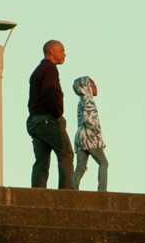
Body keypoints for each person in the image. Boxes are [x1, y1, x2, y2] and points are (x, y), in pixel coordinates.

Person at [25, 38, 75, 189]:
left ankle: (37, 193)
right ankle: (67, 193)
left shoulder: (38, 70)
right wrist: (58, 113)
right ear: (52, 52)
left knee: (42, 160)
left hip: (35, 121)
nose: (64, 54)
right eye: (62, 51)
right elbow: (49, 93)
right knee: (66, 154)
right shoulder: (50, 69)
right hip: (48, 120)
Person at [71, 75, 107, 192]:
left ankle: (73, 188)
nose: (95, 87)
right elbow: (90, 120)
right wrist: (96, 132)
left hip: (80, 136)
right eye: (92, 85)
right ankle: (102, 190)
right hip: (90, 136)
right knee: (103, 163)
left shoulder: (81, 101)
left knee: (81, 167)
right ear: (86, 87)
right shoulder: (88, 100)